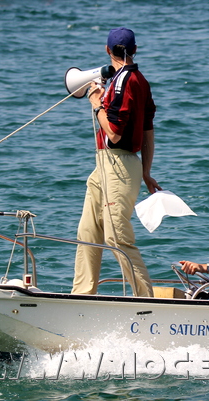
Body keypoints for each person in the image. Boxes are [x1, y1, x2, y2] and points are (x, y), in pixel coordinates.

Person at [72, 27, 161, 298]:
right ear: (134, 50)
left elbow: (114, 132)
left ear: (107, 50)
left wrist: (96, 103)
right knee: (88, 231)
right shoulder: (139, 80)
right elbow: (148, 132)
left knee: (116, 237)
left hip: (117, 165)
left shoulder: (123, 82)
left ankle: (145, 298)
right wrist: (146, 172)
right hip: (112, 165)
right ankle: (82, 294)